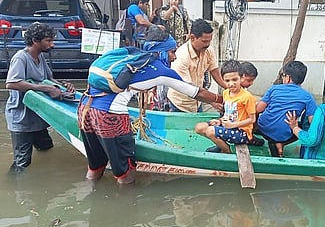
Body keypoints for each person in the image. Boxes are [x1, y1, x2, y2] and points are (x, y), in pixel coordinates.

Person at [78, 26, 221, 184]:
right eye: (172, 52)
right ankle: (126, 203)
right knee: (126, 171)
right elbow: (196, 92)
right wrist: (222, 99)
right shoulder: (161, 70)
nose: (174, 57)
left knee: (96, 165)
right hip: (109, 116)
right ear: (161, 51)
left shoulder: (132, 55)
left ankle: (91, 196)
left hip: (84, 108)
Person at [5, 22, 75, 173]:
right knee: (22, 162)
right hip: (21, 119)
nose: (52, 44)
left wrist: (63, 85)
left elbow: (49, 79)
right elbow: (11, 83)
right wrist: (44, 88)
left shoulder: (40, 57)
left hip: (38, 115)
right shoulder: (20, 58)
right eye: (48, 41)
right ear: (36, 42)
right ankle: (17, 189)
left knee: (46, 148)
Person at [256, 61, 317, 157]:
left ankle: (254, 135)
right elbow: (312, 121)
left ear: (288, 78)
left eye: (283, 76)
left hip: (264, 128)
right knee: (302, 127)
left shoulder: (274, 89)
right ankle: (281, 144)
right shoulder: (307, 96)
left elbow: (258, 109)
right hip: (285, 133)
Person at [194, 60, 256, 153]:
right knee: (199, 127)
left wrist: (233, 125)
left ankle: (226, 150)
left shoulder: (247, 97)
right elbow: (228, 114)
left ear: (241, 77)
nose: (231, 84)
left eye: (234, 79)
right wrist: (219, 121)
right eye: (227, 80)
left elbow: (252, 119)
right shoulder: (226, 93)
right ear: (223, 80)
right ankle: (221, 144)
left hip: (242, 132)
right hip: (228, 126)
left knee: (210, 131)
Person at [168, 19, 228, 112]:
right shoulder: (181, 57)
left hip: (198, 102)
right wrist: (216, 99)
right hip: (180, 104)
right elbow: (189, 90)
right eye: (204, 41)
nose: (207, 44)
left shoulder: (209, 50)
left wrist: (228, 87)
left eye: (209, 41)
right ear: (192, 38)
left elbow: (214, 70)